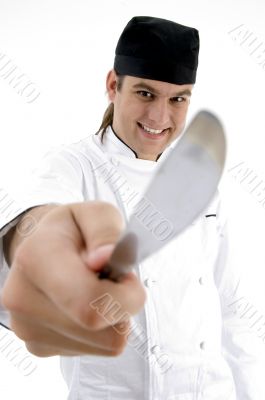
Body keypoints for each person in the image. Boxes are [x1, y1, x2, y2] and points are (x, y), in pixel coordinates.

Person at [0, 15, 264, 400]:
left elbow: (234, 310)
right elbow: (36, 220)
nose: (160, 118)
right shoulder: (72, 166)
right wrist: (34, 250)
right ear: (113, 86)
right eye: (145, 94)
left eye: (178, 99)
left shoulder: (199, 183)